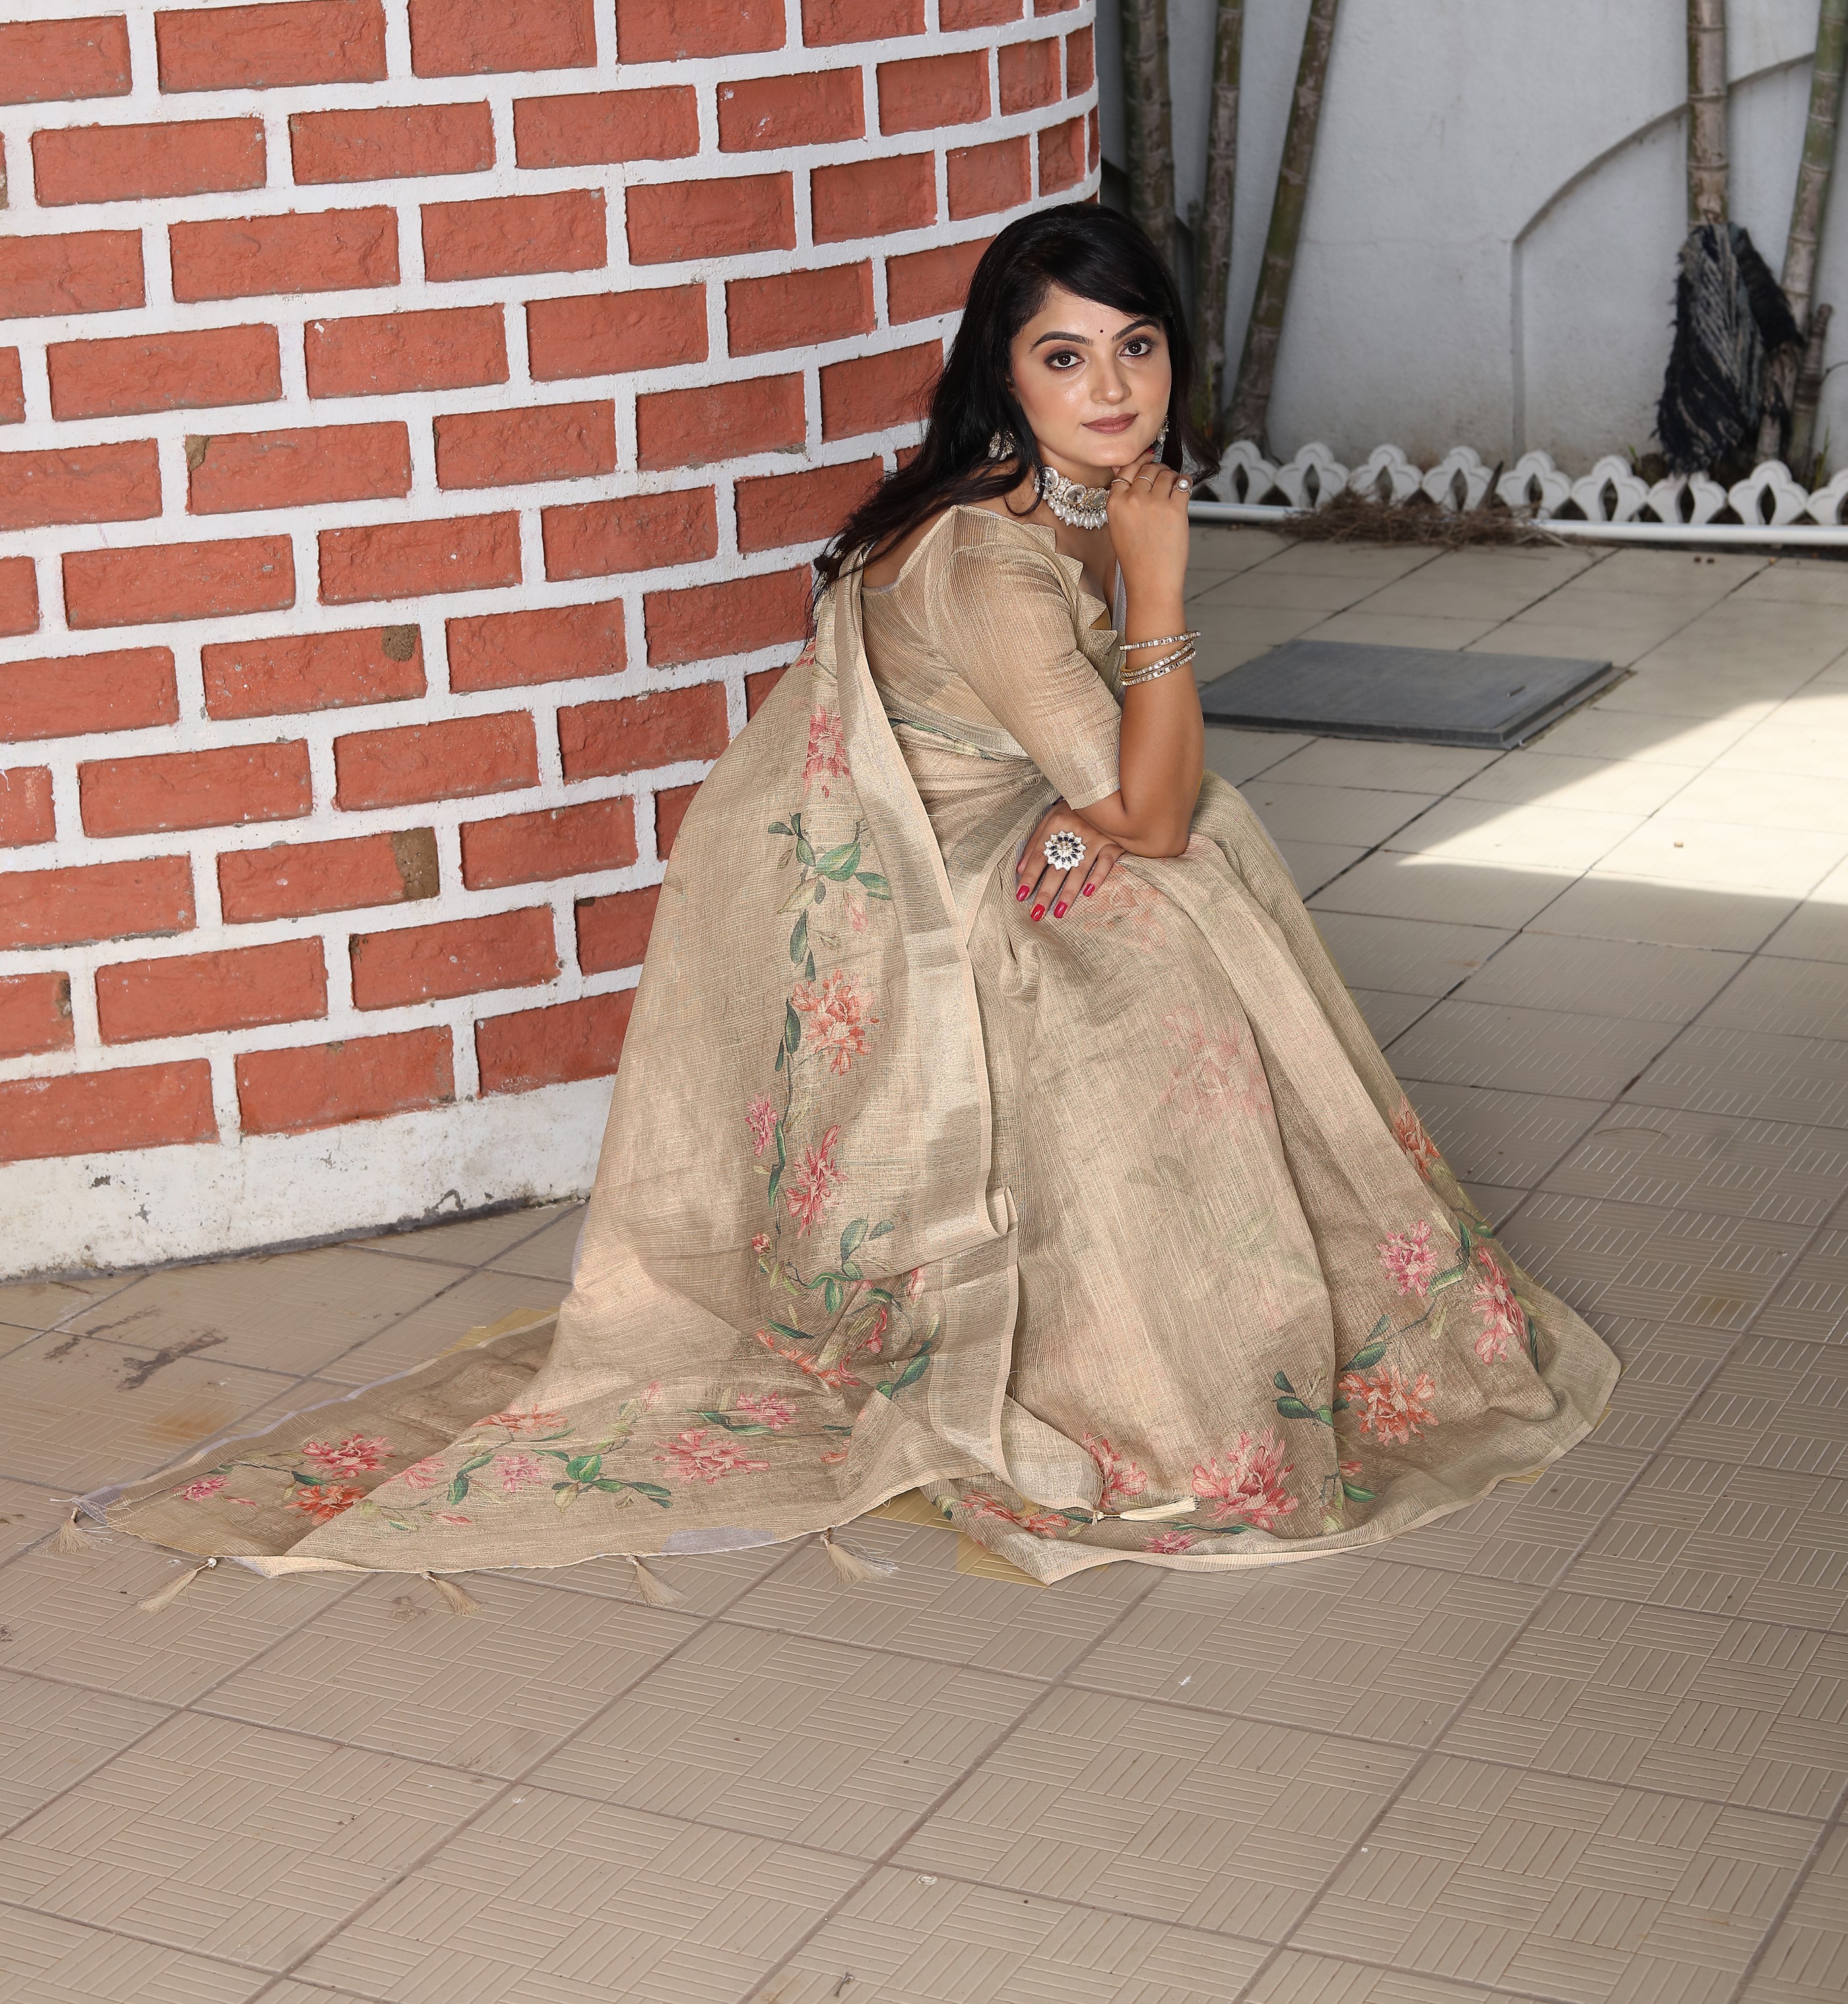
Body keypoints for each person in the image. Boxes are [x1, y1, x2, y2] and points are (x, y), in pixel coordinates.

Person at [106, 206, 1617, 1593]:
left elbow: (1111, 783)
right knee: (1165, 910)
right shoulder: (992, 558)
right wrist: (1158, 589)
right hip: (911, 910)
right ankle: (1151, 1366)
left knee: (1186, 868)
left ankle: (1260, 1292)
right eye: (1063, 356)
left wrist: (1085, 794)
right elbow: (1146, 807)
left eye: (1135, 347)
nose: (1110, 390)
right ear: (1000, 374)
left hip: (996, 823)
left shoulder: (1075, 496)